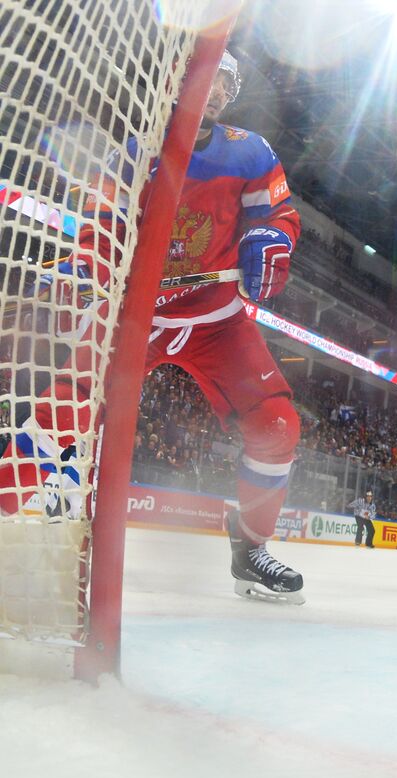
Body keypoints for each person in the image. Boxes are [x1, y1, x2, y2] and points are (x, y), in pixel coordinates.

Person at [0, 51, 305, 603]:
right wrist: (87, 271)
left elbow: (278, 217)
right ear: (174, 80)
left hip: (215, 320)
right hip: (135, 318)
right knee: (61, 413)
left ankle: (251, 548)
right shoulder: (131, 154)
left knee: (278, 425)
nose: (211, 91)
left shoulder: (251, 153)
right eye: (201, 78)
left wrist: (274, 240)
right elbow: (101, 227)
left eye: (222, 84)